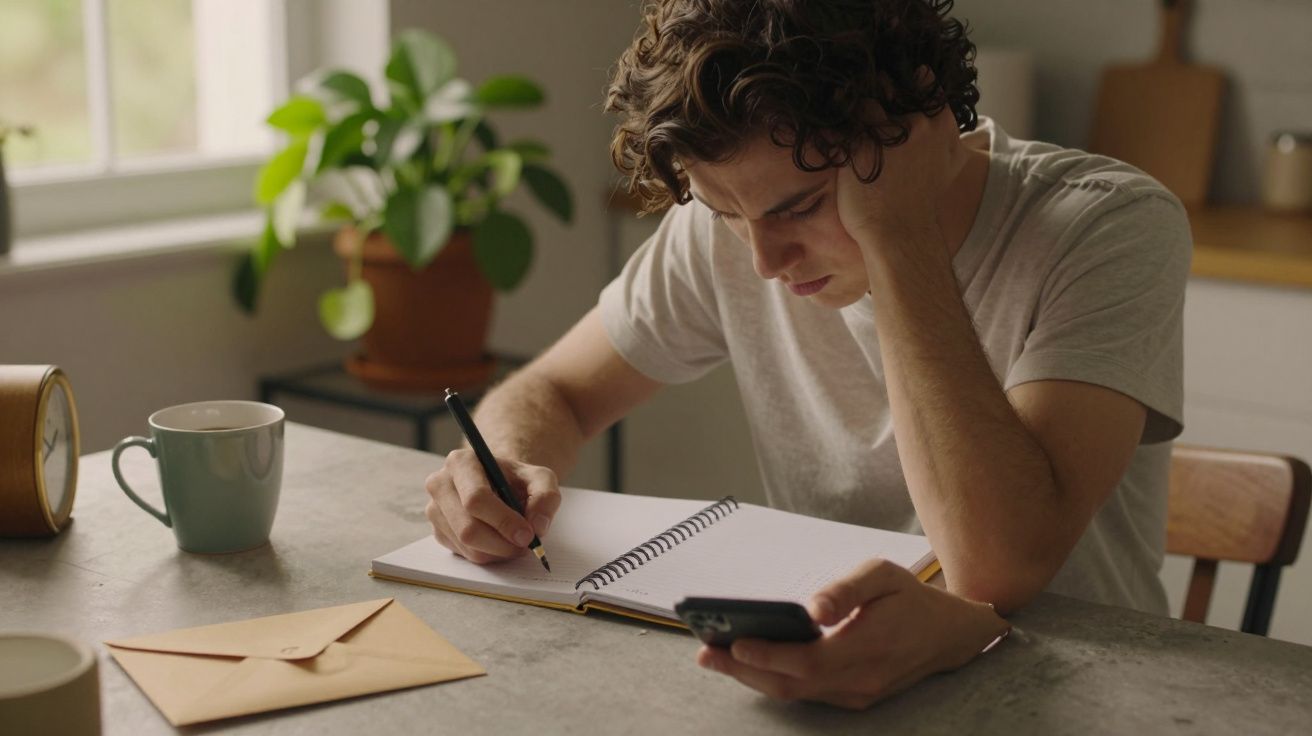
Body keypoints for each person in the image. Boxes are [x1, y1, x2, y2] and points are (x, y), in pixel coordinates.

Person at [424, 0, 1190, 709]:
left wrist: (898, 235)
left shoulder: (1107, 226)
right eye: (727, 214)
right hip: (835, 679)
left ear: (917, 128)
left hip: (1073, 688)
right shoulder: (734, 231)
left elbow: (996, 567)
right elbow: (557, 390)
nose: (764, 260)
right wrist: (502, 472)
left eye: (802, 206)